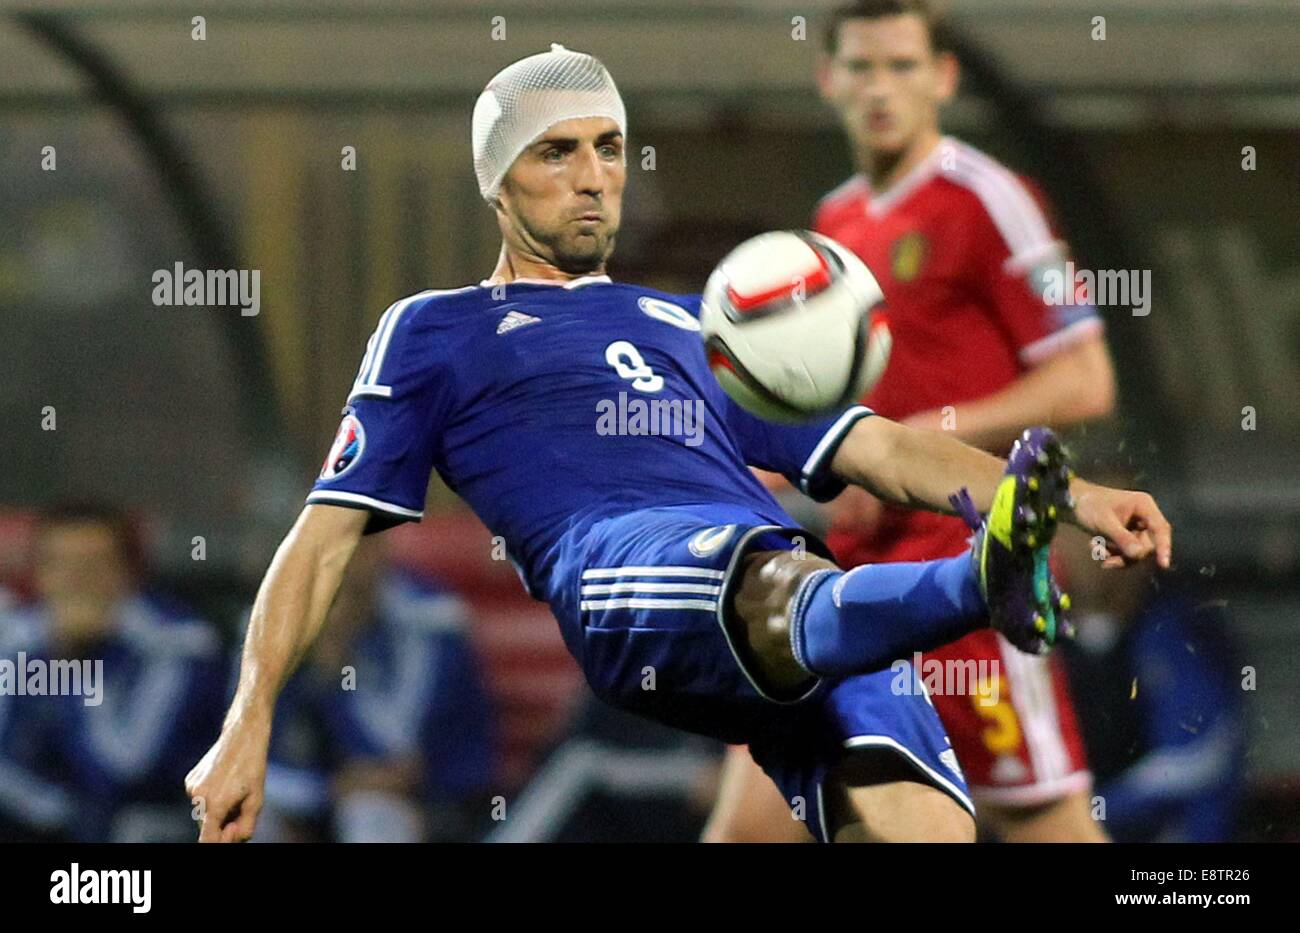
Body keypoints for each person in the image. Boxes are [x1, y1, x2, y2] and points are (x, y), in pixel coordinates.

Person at [186, 43, 1171, 844]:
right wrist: (247, 723)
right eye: (556, 153)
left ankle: (982, 565)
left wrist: (1077, 500)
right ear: (498, 182)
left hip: (810, 598)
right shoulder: (435, 329)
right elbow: (321, 540)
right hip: (632, 573)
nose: (591, 178)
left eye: (609, 148)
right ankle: (975, 582)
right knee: (770, 573)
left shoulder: (704, 323)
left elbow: (878, 447)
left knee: (924, 830)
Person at [705, 0, 1116, 843]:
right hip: (843, 579)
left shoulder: (990, 199)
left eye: (902, 66)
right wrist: (775, 473)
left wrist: (933, 430)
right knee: (751, 826)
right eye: (860, 67)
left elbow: (1085, 379)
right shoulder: (832, 225)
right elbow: (829, 416)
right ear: (828, 79)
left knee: (1047, 825)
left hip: (971, 570)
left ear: (944, 77)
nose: (880, 89)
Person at [2, 502, 226, 841]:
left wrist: (75, 664)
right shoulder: (18, 637)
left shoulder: (177, 642)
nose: (75, 581)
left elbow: (124, 773)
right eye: (60, 565)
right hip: (47, 821)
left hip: (150, 826)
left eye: (92, 565)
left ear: (127, 573)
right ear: (38, 574)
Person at [257, 540, 497, 842]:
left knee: (370, 813)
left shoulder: (431, 619)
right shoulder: (286, 617)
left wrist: (337, 672)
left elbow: (396, 757)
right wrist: (326, 790)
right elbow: (255, 767)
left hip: (436, 798)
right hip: (330, 795)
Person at [1055, 523, 1245, 842]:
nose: (1090, 550)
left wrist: (1071, 815)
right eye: (1075, 530)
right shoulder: (1023, 634)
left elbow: (1194, 759)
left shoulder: (1180, 630)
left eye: (1106, 537)